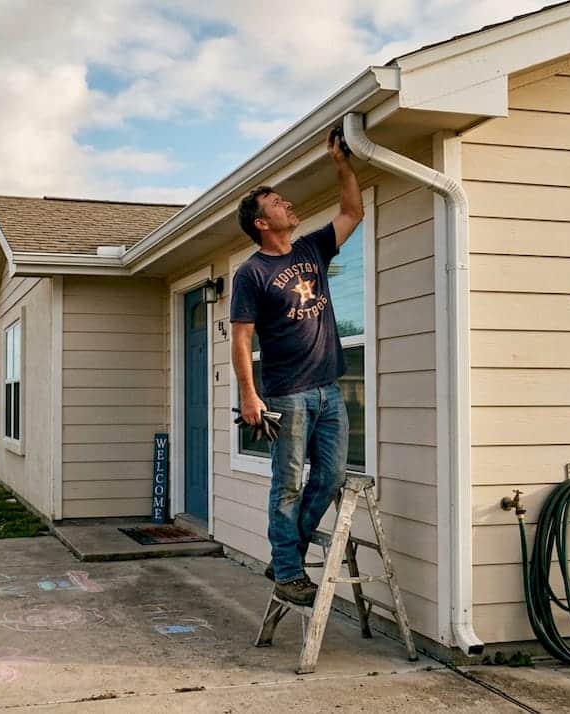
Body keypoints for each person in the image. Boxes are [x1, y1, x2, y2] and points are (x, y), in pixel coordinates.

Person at [229, 127, 364, 606]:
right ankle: (289, 572)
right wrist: (250, 394)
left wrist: (342, 165)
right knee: (286, 483)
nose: (287, 205)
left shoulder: (310, 249)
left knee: (328, 479)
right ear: (262, 223)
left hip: (329, 390)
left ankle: (286, 556)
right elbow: (242, 339)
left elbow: (352, 212)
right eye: (278, 203)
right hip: (287, 394)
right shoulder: (252, 273)